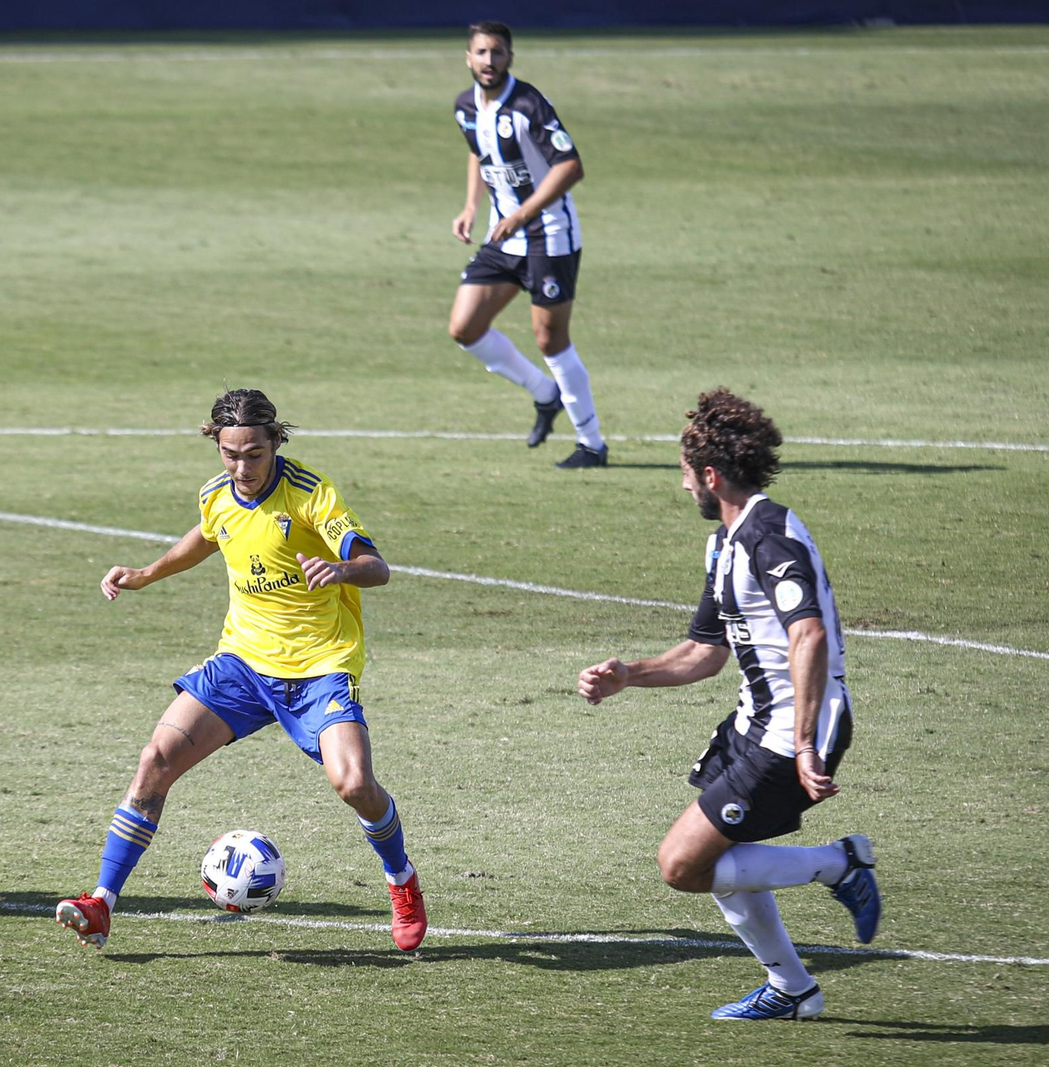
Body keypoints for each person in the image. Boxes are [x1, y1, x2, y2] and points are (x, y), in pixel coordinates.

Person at [55, 389, 426, 952]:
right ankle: (101, 904)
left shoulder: (311, 495)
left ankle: (401, 879)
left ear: (276, 441)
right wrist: (147, 574)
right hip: (243, 664)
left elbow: (378, 568)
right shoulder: (217, 494)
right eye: (230, 454)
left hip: (320, 667)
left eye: (254, 454)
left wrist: (341, 568)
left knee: (354, 785)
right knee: (154, 760)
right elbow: (208, 535)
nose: (241, 467)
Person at [576, 388, 881, 1020]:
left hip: (793, 730)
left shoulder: (767, 537)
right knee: (716, 857)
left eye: (686, 475)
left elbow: (810, 633)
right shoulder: (724, 542)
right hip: (752, 722)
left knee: (681, 865)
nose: (684, 487)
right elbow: (703, 653)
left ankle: (839, 865)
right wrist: (628, 674)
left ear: (711, 475)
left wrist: (802, 744)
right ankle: (794, 990)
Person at [448, 20, 608, 469]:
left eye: (498, 52)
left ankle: (592, 444)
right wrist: (469, 206)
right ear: (468, 57)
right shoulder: (465, 106)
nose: (489, 61)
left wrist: (522, 214)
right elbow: (480, 153)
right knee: (464, 327)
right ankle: (545, 394)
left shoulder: (528, 104)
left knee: (550, 340)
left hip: (549, 236)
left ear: (510, 57)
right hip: (503, 235)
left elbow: (570, 165)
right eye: (481, 52)